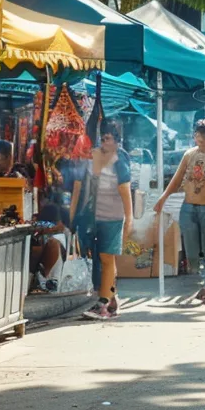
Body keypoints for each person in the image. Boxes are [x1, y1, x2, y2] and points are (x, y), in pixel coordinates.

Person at [156, 119, 205, 305]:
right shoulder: (189, 155)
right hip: (188, 207)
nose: (200, 141)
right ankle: (198, 279)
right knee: (191, 251)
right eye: (198, 136)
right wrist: (163, 198)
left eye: (204, 138)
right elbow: (177, 178)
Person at [75, 121, 132, 320]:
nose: (104, 142)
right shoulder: (95, 157)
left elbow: (125, 191)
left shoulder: (120, 159)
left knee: (107, 258)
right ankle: (111, 297)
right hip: (95, 215)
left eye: (108, 138)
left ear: (116, 141)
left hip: (113, 216)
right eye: (102, 138)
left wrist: (129, 218)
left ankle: (103, 303)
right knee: (104, 258)